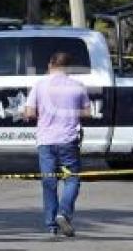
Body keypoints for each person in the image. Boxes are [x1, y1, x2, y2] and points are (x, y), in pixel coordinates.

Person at [23, 51, 92, 239]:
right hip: (68, 140)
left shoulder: (39, 85)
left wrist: (40, 114)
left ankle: (51, 225)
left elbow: (29, 112)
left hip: (45, 141)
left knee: (49, 182)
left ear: (50, 64)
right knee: (72, 179)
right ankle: (64, 213)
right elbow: (87, 113)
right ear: (68, 67)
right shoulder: (77, 86)